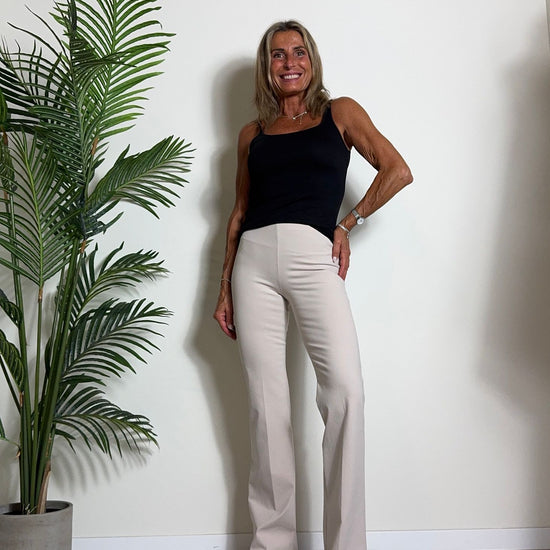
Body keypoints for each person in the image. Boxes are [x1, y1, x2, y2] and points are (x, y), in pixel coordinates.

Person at [213, 20, 413, 550]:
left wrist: (348, 224)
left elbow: (397, 170)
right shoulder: (252, 135)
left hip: (312, 255)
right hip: (253, 263)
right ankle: (271, 543)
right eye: (278, 55)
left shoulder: (339, 113)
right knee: (267, 406)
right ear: (267, 67)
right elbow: (239, 212)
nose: (289, 63)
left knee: (346, 392)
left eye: (298, 52)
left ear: (312, 59)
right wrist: (224, 285)